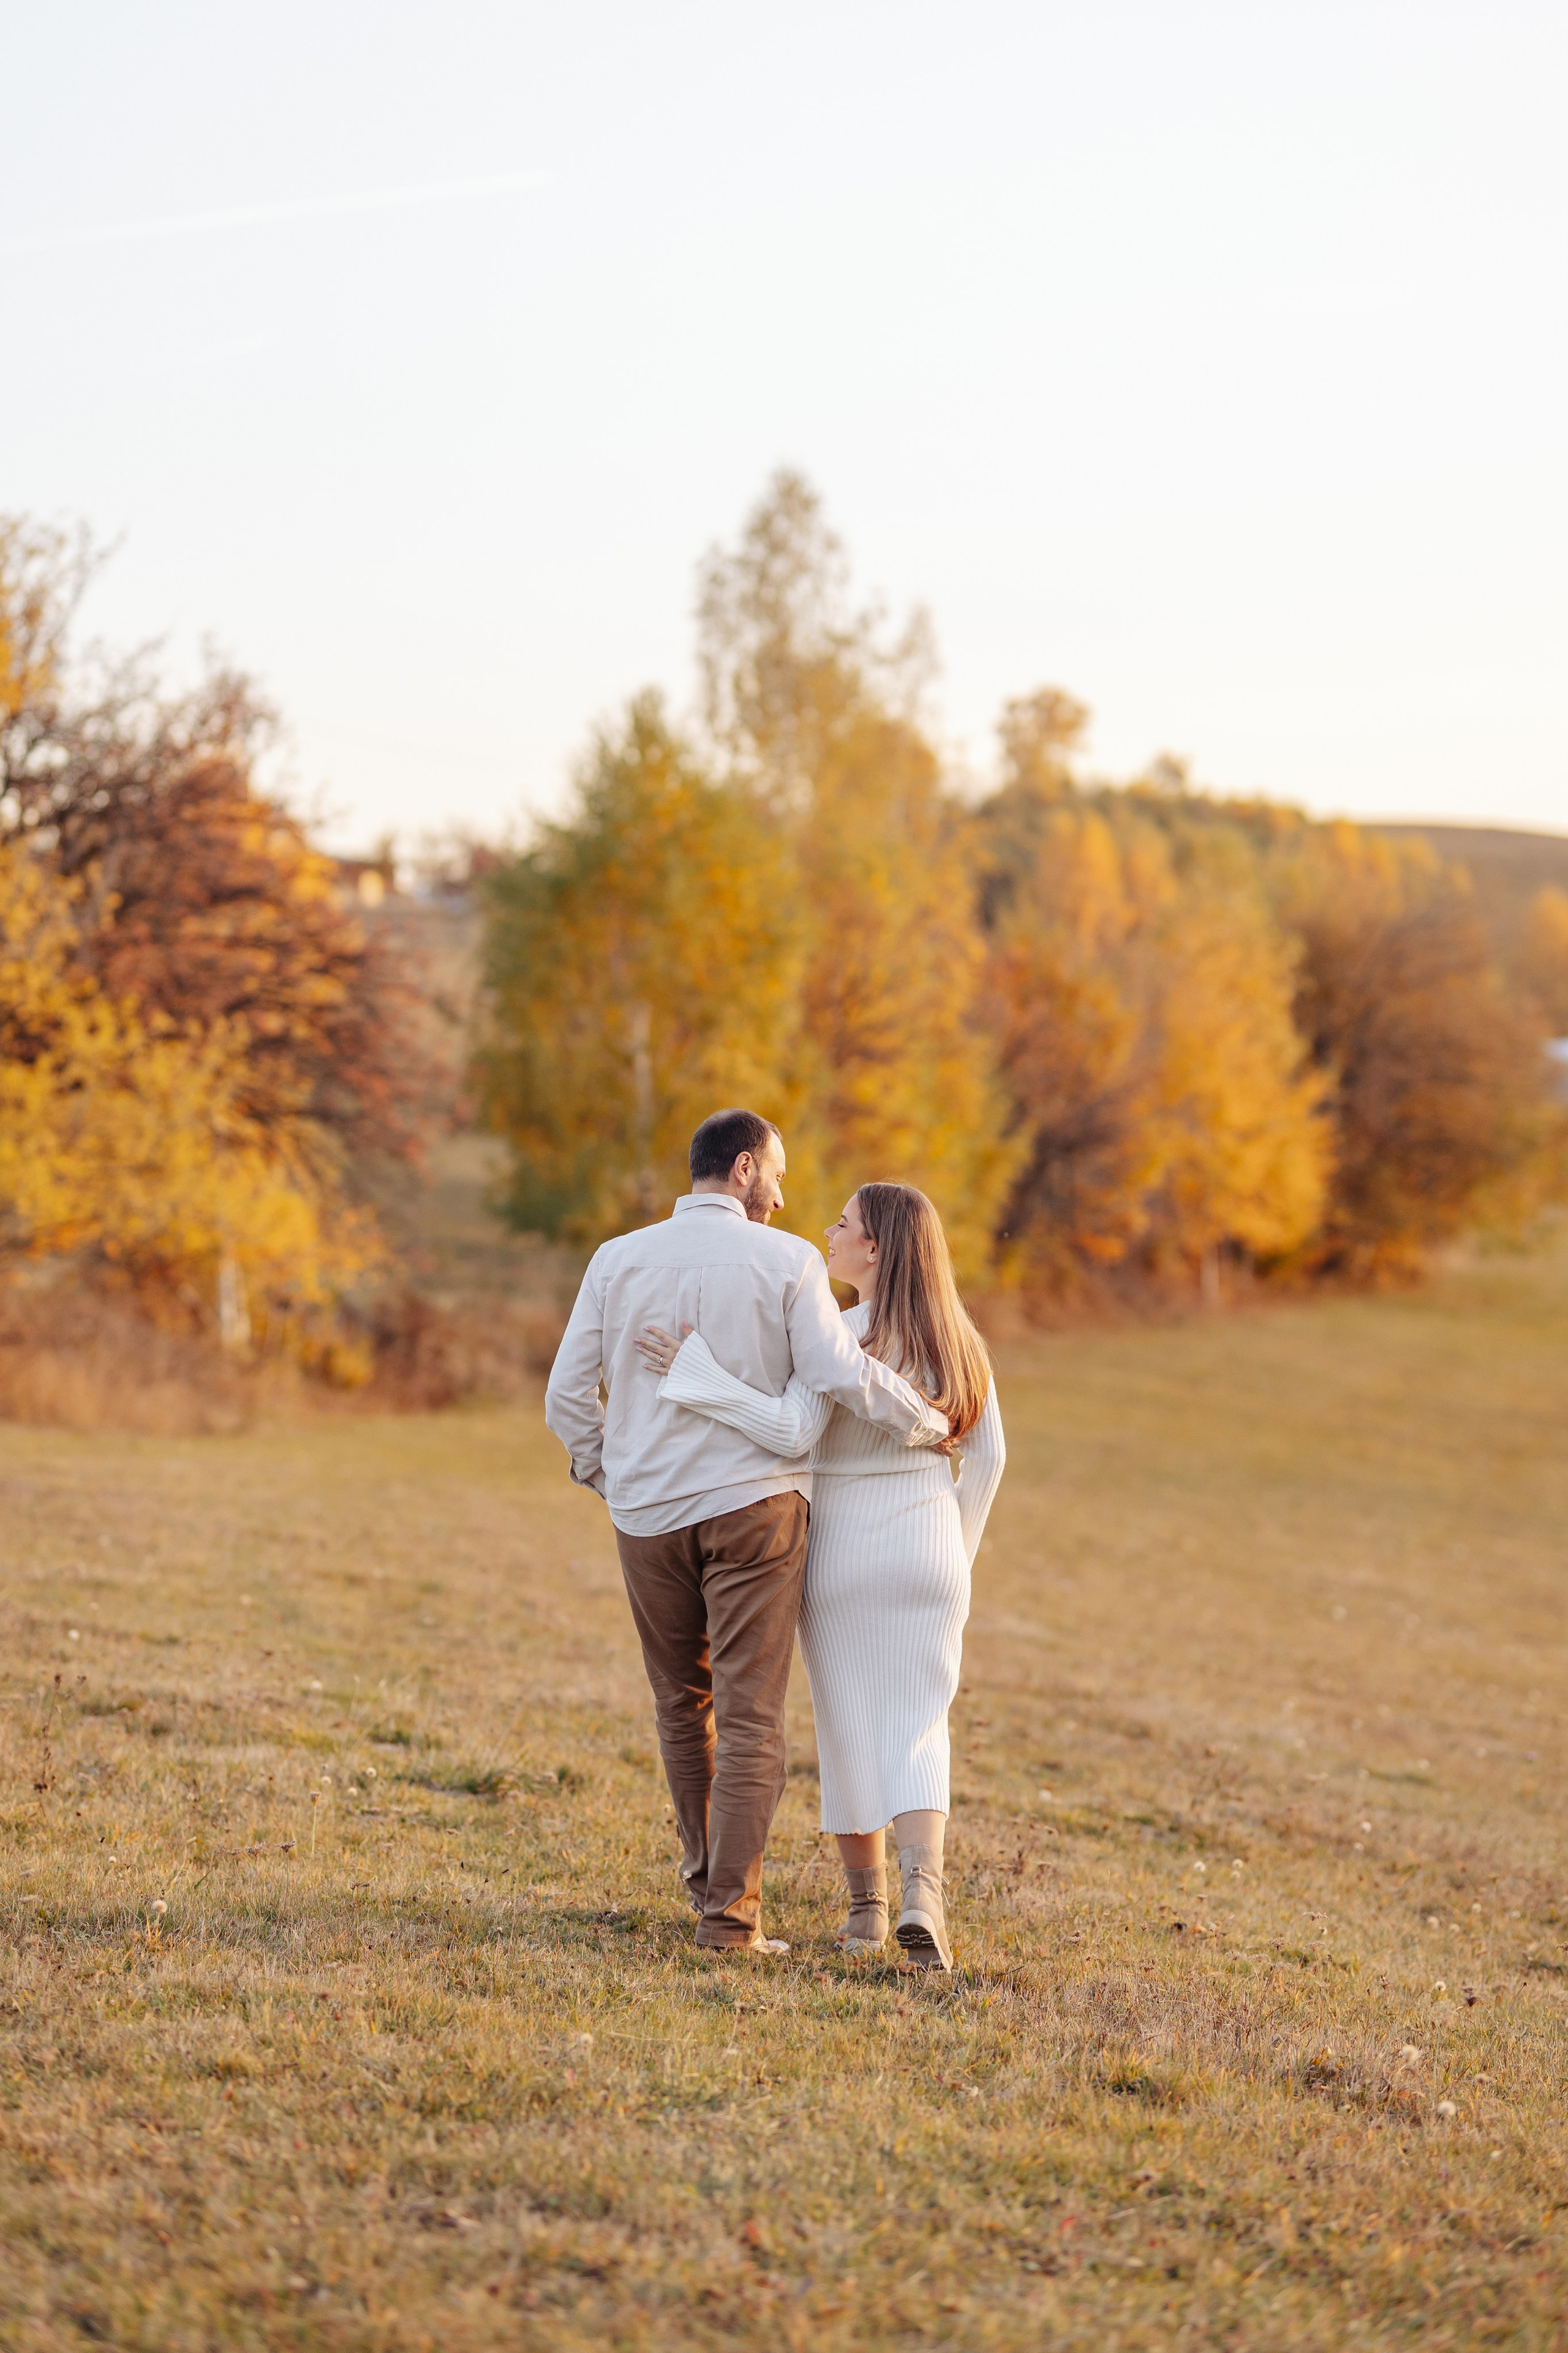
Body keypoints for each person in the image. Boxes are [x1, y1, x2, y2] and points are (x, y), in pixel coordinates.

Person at [545, 1111, 950, 1955]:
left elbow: (564, 1398)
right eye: (778, 1172)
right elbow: (840, 1375)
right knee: (752, 1715)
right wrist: (925, 1420)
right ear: (742, 1169)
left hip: (647, 1517)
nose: (785, 1191)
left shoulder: (614, 1261)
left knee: (680, 1705)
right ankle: (729, 1919)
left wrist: (611, 1475)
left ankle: (709, 1885)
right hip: (754, 1511)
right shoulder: (788, 1259)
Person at [635, 1182, 1003, 1971]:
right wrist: (955, 1554)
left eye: (844, 1225)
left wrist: (699, 1374)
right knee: (919, 1724)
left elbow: (791, 1427)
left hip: (840, 1546)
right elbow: (989, 1460)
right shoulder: (957, 1340)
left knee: (846, 1725)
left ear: (874, 1250)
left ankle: (867, 1911)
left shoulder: (835, 1333)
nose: (829, 1233)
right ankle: (923, 1897)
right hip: (931, 1542)